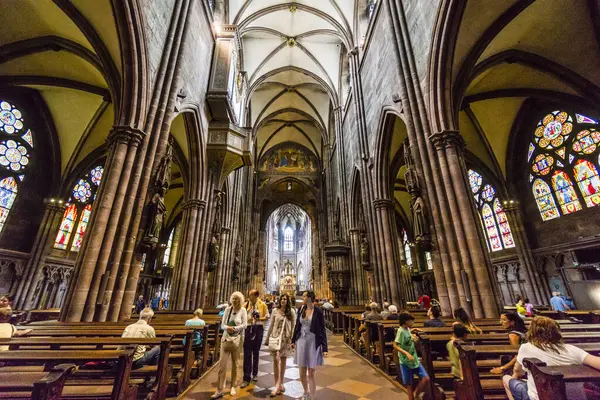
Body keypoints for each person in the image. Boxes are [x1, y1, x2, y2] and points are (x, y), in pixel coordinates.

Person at [503, 316, 600, 400]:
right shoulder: (571, 349)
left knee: (506, 379)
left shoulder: (526, 347)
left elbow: (518, 372)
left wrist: (516, 376)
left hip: (540, 397)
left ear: (532, 331)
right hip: (573, 397)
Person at [292, 291, 327, 400]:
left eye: (304, 296)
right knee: (302, 370)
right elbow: (297, 326)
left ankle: (312, 396)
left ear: (310, 298)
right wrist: (293, 340)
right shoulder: (301, 309)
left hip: (313, 341)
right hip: (302, 341)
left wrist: (324, 347)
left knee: (311, 371)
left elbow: (322, 329)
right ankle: (306, 392)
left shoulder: (318, 311)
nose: (302, 297)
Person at [211, 292, 247, 399]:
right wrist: (228, 328)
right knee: (222, 365)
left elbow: (245, 324)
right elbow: (222, 324)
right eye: (233, 298)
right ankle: (219, 389)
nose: (234, 300)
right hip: (226, 339)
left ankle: (233, 386)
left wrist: (235, 328)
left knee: (235, 364)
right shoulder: (228, 310)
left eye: (237, 299)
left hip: (237, 340)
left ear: (240, 300)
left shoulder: (243, 310)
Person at [265, 293, 296, 397]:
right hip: (275, 338)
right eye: (282, 299)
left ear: (288, 301)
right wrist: (267, 338)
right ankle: (276, 384)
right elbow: (271, 325)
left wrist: (293, 340)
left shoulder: (291, 312)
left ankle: (281, 383)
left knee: (283, 361)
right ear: (280, 300)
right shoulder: (275, 310)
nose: (283, 301)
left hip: (286, 339)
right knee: (276, 360)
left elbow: (294, 326)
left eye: (285, 299)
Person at [394, 312, 430, 400]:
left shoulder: (407, 329)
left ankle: (416, 394)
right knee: (409, 384)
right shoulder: (400, 331)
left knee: (426, 378)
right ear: (405, 322)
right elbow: (395, 345)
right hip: (405, 361)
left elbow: (408, 332)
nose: (412, 323)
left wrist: (414, 329)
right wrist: (406, 353)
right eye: (411, 321)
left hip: (414, 359)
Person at [241, 289, 269, 388]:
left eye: (251, 295)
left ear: (256, 296)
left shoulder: (263, 305)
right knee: (247, 353)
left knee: (256, 352)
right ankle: (246, 377)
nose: (249, 297)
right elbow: (241, 316)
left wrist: (258, 318)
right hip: (248, 328)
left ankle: (255, 374)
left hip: (258, 328)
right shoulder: (245, 305)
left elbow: (267, 316)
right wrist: (247, 319)